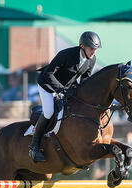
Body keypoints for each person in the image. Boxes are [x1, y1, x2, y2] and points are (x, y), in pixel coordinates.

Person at [28, 31, 102, 162]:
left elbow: (85, 79)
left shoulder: (92, 60)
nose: (94, 52)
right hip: (47, 85)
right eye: (92, 49)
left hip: (66, 87)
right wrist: (61, 89)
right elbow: (49, 74)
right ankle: (34, 147)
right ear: (82, 46)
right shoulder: (66, 55)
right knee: (49, 111)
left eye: (95, 49)